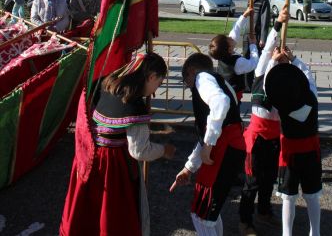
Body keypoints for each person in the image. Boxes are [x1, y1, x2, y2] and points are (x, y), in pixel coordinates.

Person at [60, 52, 176, 236]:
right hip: (111, 164)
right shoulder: (133, 105)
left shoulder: (107, 83)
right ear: (151, 76)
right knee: (111, 214)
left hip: (88, 155)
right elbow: (139, 151)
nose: (156, 89)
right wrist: (164, 150)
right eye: (159, 83)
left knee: (88, 209)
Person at [170, 53, 246, 236]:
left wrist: (209, 144)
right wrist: (189, 167)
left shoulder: (202, 78)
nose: (189, 86)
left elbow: (220, 102)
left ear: (191, 71)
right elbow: (206, 135)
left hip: (224, 147)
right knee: (208, 215)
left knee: (202, 216)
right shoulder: (218, 80)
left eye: (186, 80)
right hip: (226, 147)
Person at [238, 5, 289, 236]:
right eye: (279, 53)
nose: (280, 53)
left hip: (273, 139)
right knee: (252, 183)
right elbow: (268, 47)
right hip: (257, 139)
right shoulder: (262, 71)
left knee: (269, 180)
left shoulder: (287, 79)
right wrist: (278, 23)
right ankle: (244, 222)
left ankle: (264, 211)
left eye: (284, 53)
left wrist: (289, 61)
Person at [265, 49, 321, 236]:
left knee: (288, 198)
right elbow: (308, 75)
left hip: (289, 152)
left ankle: (287, 234)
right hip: (311, 151)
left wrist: (273, 62)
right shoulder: (312, 96)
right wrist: (293, 59)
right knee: (312, 196)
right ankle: (315, 232)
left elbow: (267, 86)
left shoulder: (280, 103)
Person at [208, 6, 258, 100]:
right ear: (229, 49)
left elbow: (236, 30)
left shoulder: (223, 54)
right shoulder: (238, 62)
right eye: (228, 39)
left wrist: (244, 15)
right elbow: (253, 63)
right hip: (234, 94)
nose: (230, 37)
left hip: (224, 90)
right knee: (233, 110)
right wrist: (253, 45)